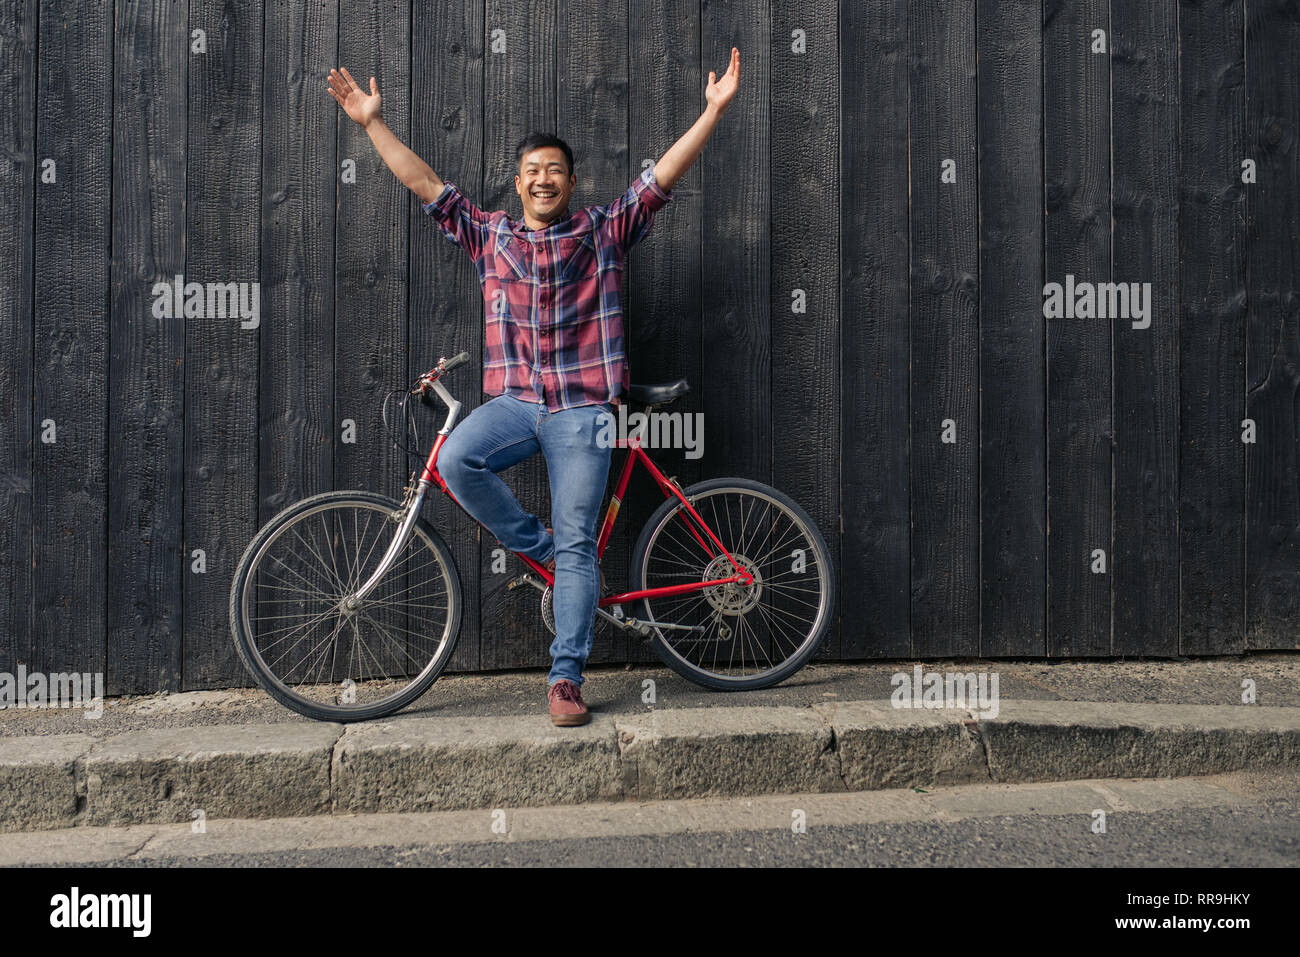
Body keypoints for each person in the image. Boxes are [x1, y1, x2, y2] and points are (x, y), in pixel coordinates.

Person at [326, 48, 741, 726]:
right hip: (517, 405)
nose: (543, 179)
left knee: (581, 540)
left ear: (570, 181)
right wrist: (372, 124)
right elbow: (424, 182)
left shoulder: (604, 231)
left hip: (583, 411)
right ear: (517, 185)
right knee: (458, 459)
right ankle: (542, 549)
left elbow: (661, 178)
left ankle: (566, 678)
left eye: (554, 169)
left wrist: (712, 111)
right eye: (531, 171)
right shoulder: (488, 236)